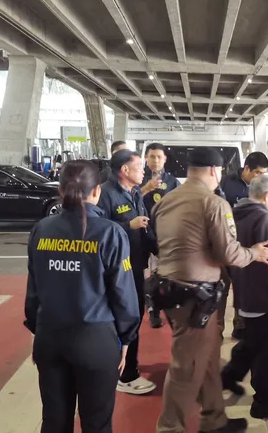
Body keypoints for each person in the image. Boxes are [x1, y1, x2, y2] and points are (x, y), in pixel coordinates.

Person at [152, 147, 268, 433]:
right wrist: (255, 253)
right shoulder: (214, 203)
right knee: (186, 368)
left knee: (209, 357)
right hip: (195, 297)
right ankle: (169, 428)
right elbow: (229, 253)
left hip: (169, 291)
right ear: (214, 170)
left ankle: (214, 419)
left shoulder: (168, 199)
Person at [24, 160, 140, 433]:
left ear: (60, 190)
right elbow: (123, 295)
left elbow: (33, 291)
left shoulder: (42, 229)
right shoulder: (110, 232)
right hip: (95, 341)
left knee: (54, 421)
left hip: (51, 337)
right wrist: (126, 338)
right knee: (97, 423)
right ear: (96, 191)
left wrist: (39, 332)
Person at [221, 174, 268, 421]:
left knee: (253, 343)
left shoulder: (236, 213)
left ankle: (229, 375)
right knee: (267, 354)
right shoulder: (264, 217)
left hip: (245, 293)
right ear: (267, 195)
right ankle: (264, 404)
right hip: (264, 298)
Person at [97, 149, 157, 395]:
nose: (144, 171)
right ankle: (125, 374)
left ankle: (126, 367)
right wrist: (127, 225)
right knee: (124, 317)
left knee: (134, 315)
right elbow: (97, 230)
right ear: (124, 170)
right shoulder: (106, 194)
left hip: (136, 265)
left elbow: (145, 229)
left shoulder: (134, 192)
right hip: (118, 270)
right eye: (139, 166)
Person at [218, 151, 268, 340]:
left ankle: (239, 326)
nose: (260, 177)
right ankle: (217, 329)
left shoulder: (262, 187)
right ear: (247, 168)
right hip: (224, 244)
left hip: (247, 247)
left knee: (243, 289)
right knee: (221, 289)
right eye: (257, 172)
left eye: (263, 173)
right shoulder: (225, 183)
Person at [140, 142, 180, 328]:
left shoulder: (172, 182)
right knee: (143, 274)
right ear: (146, 158)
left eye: (159, 157)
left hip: (163, 236)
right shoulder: (138, 178)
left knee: (160, 274)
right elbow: (129, 199)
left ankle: (160, 308)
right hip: (140, 233)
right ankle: (150, 308)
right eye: (152, 156)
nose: (155, 160)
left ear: (165, 159)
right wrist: (145, 188)